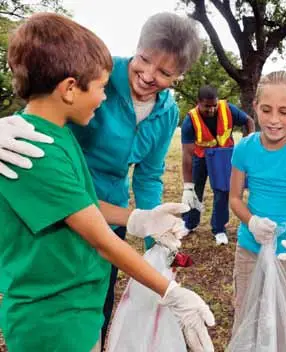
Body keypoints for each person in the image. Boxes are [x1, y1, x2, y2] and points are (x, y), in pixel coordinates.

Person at [0, 13, 214, 352]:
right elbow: (39, 105)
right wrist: (169, 291)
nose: (147, 75)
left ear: (179, 76)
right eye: (143, 60)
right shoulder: (88, 71)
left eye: (163, 72)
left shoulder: (163, 112)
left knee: (98, 295)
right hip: (53, 279)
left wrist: (144, 224)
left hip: (94, 230)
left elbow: (145, 175)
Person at [229, 71, 286, 331]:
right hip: (249, 248)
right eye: (266, 110)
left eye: (284, 112)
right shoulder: (244, 148)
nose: (273, 120)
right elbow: (235, 199)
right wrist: (252, 222)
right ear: (255, 107)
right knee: (246, 319)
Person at [181, 85, 255, 245]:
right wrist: (187, 186)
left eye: (214, 105)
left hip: (223, 156)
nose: (212, 109)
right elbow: (187, 154)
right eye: (207, 106)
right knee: (195, 190)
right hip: (200, 157)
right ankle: (189, 223)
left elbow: (249, 121)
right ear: (198, 103)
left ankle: (219, 229)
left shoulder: (228, 108)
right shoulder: (190, 120)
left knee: (222, 191)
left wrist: (249, 142)